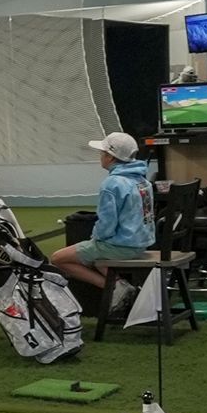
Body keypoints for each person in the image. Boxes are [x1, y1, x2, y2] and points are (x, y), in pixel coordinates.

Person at [50, 130, 155, 314]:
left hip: (121, 246)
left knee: (58, 259)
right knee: (98, 261)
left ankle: (117, 288)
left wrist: (94, 240)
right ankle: (117, 284)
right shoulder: (143, 180)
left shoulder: (112, 184)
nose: (100, 156)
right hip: (141, 244)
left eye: (102, 153)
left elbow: (106, 226)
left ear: (110, 157)